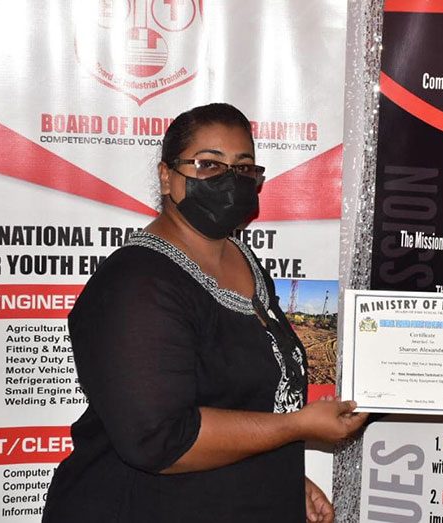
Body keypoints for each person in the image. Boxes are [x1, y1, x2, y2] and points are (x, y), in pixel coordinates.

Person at [43, 103, 367, 523]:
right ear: (167, 176)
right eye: (209, 164)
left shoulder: (243, 259)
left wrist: (284, 479)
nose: (229, 180)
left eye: (244, 168)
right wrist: (298, 427)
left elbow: (247, 398)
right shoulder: (136, 283)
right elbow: (160, 439)